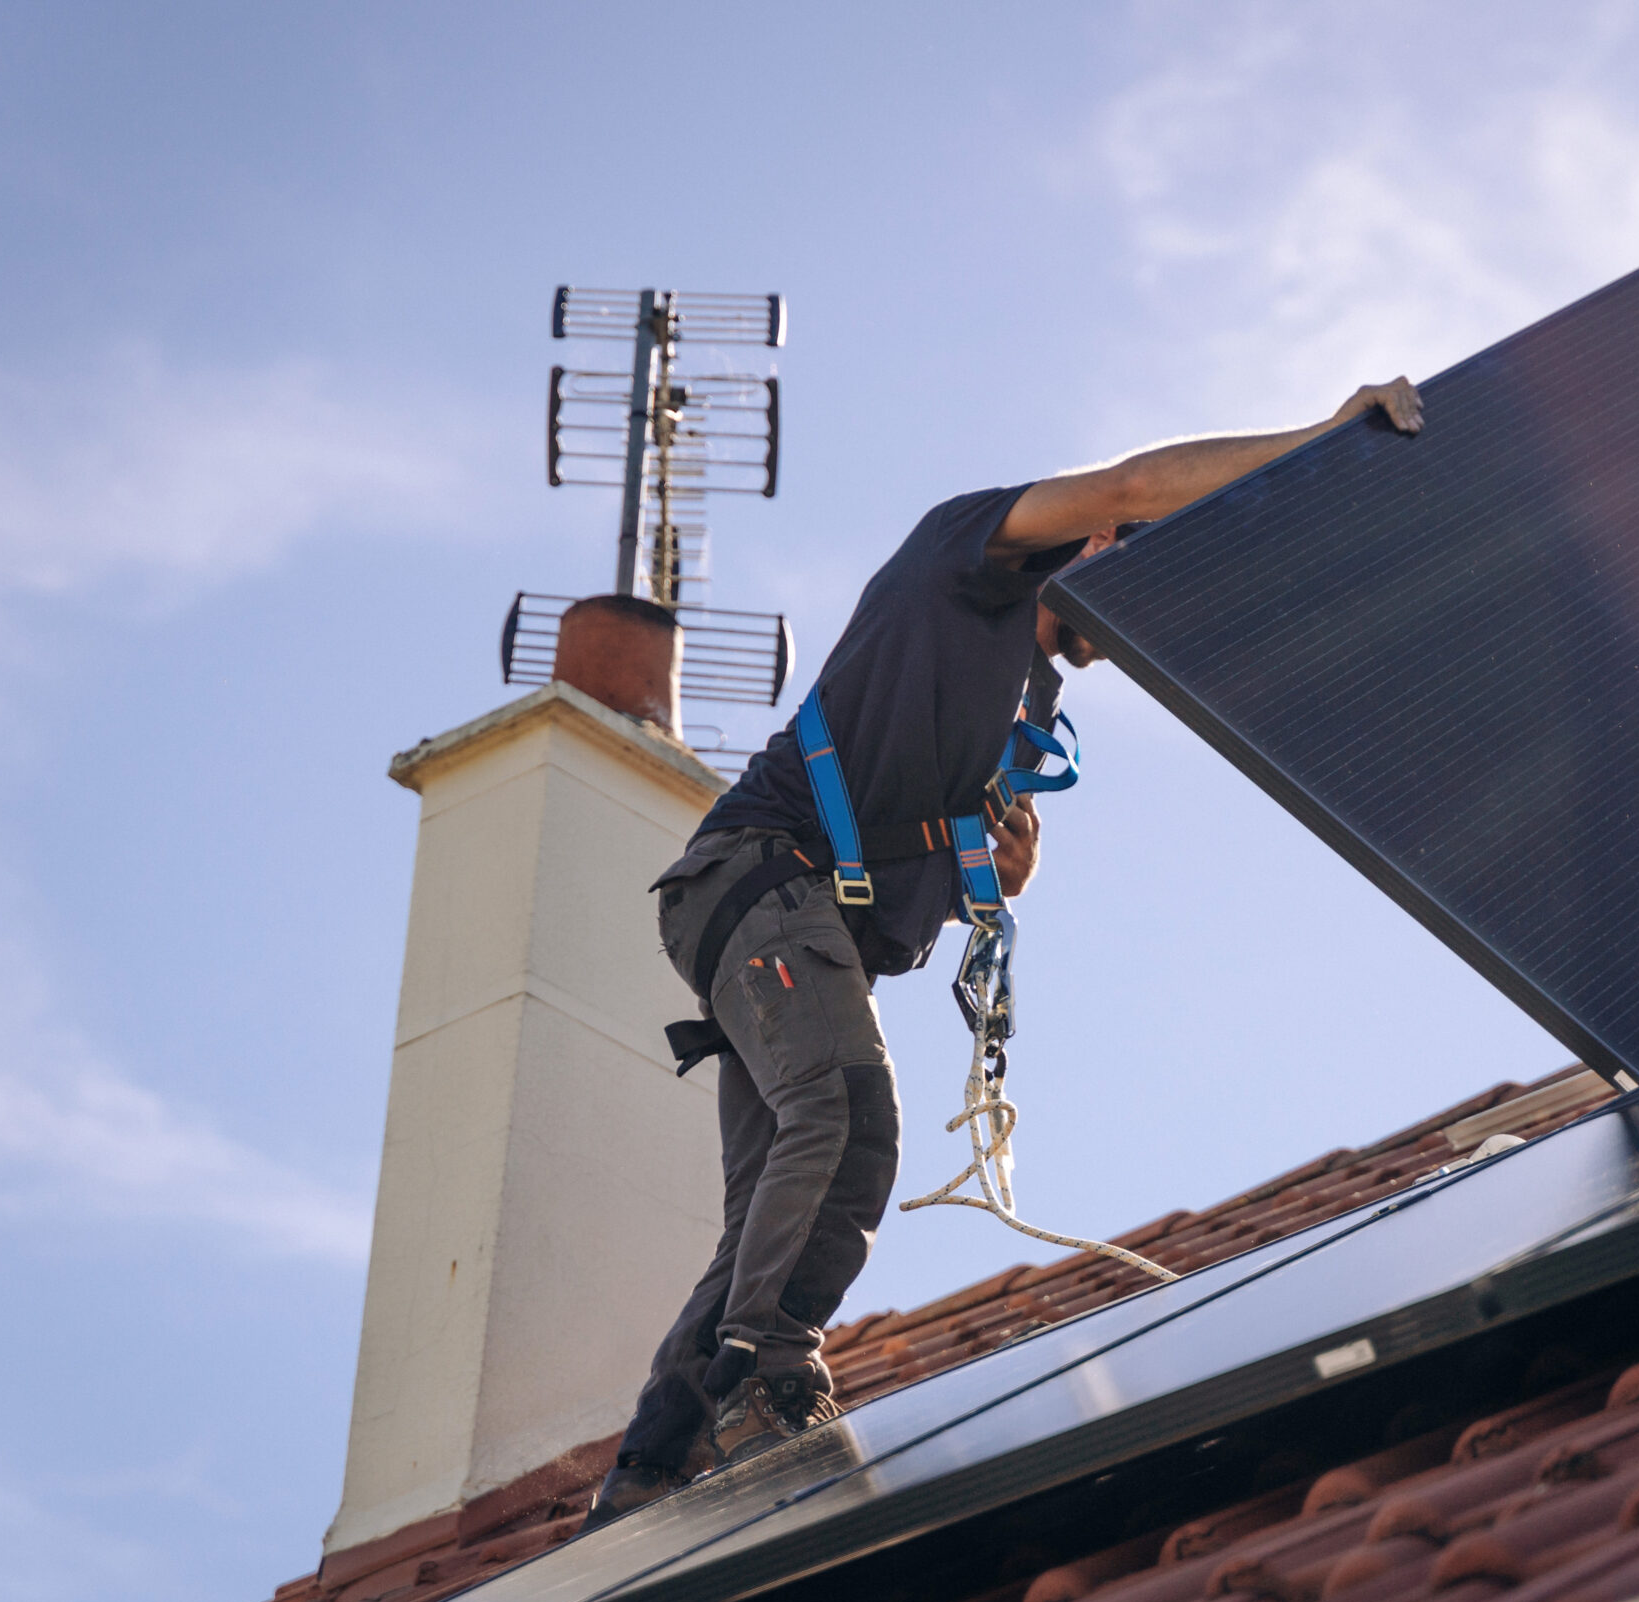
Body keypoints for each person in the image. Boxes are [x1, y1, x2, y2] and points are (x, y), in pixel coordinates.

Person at [587, 375, 1427, 1528]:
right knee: (847, 1118)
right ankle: (763, 1386)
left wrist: (992, 871)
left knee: (775, 1207)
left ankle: (651, 1469)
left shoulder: (1025, 711)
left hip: (800, 925)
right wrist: (1318, 444)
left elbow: (946, 856)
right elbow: (1135, 484)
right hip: (757, 881)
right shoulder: (959, 561)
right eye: (1137, 566)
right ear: (1089, 545)